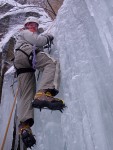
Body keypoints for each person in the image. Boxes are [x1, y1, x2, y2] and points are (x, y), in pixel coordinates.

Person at [13, 16, 65, 148]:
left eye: (35, 25)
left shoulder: (21, 36)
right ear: (25, 26)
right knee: (51, 63)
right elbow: (38, 40)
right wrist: (48, 37)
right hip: (26, 52)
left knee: (26, 95)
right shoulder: (25, 33)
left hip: (21, 63)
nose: (32, 26)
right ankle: (44, 93)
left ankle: (24, 126)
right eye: (30, 24)